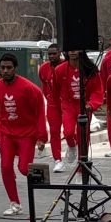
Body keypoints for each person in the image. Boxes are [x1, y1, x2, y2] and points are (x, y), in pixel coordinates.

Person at [0, 53, 47, 217]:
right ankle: (15, 203)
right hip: (6, 133)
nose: (5, 71)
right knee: (5, 166)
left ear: (15, 68)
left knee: (24, 169)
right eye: (3, 68)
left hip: (26, 133)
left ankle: (43, 178)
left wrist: (41, 137)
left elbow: (39, 113)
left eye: (9, 68)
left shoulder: (30, 89)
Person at [54, 51, 103, 163]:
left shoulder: (90, 70)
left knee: (83, 137)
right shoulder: (59, 70)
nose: (72, 52)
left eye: (75, 49)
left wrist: (92, 104)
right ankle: (71, 146)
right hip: (69, 105)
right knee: (68, 132)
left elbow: (97, 90)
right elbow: (56, 89)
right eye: (70, 49)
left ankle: (81, 168)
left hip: (85, 106)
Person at [38, 43, 64, 172]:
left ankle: (72, 146)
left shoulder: (66, 65)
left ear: (60, 53)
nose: (52, 56)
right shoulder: (43, 69)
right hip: (53, 104)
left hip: (67, 103)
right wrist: (48, 97)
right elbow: (44, 85)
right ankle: (57, 160)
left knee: (71, 132)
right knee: (54, 132)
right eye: (50, 54)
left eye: (54, 53)